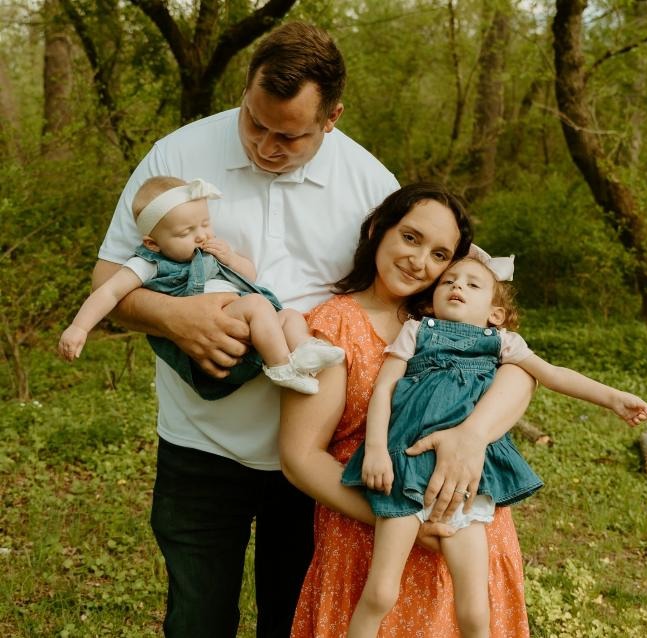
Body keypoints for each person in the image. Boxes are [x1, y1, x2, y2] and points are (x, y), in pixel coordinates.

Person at [92, 21, 405, 637]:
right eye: (254, 123)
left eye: (288, 136)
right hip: (199, 441)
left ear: (332, 117)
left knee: (293, 622)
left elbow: (413, 301)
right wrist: (172, 316)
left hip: (320, 453)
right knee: (197, 620)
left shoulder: (372, 185)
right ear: (245, 90)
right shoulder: (177, 155)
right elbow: (107, 277)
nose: (265, 146)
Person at [340, 250, 647, 638]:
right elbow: (384, 389)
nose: (457, 286)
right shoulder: (416, 331)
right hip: (403, 468)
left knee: (475, 608)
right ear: (432, 299)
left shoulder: (503, 343)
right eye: (448, 281)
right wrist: (375, 448)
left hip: (466, 485)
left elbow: (553, 375)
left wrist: (613, 398)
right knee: (380, 593)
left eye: (473, 284)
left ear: (495, 314)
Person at [280, 183, 536, 638]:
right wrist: (402, 518)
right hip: (372, 529)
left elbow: (522, 375)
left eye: (439, 255)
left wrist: (472, 436)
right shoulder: (335, 323)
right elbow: (300, 457)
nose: (419, 262)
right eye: (410, 238)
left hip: (470, 522)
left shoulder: (454, 314)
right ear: (378, 230)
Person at [59, 175, 345, 396]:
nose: (201, 236)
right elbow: (109, 291)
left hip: (252, 330)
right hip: (217, 345)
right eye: (186, 232)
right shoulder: (148, 263)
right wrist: (79, 328)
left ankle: (305, 351)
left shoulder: (209, 251)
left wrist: (230, 257)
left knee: (289, 316)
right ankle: (282, 369)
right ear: (153, 243)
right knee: (258, 305)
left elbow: (249, 276)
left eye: (205, 224)